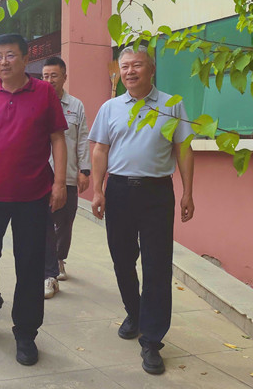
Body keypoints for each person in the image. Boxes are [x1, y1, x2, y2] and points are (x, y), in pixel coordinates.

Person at [0, 33, 68, 366]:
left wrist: (59, 183)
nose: (3, 62)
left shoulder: (44, 93)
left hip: (33, 195)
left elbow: (58, 139)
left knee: (30, 267)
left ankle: (26, 332)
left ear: (25, 58)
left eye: (10, 55)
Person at [89, 45, 195, 375]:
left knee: (156, 265)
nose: (130, 71)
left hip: (157, 193)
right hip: (119, 191)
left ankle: (152, 340)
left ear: (151, 69)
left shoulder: (172, 104)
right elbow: (99, 150)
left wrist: (188, 192)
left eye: (137, 65)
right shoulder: (109, 107)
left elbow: (184, 149)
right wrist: (97, 190)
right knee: (122, 259)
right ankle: (134, 313)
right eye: (125, 66)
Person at [41, 57, 91, 297]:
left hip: (69, 175)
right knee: (44, 223)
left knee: (65, 221)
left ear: (64, 77)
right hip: (42, 176)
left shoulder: (75, 106)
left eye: (54, 76)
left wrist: (85, 170)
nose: (49, 80)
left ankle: (59, 258)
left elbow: (82, 139)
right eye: (45, 76)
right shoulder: (38, 101)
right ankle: (49, 270)